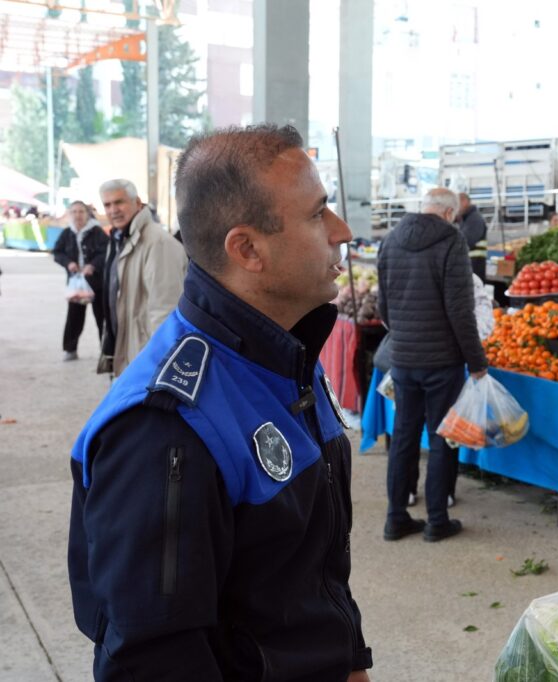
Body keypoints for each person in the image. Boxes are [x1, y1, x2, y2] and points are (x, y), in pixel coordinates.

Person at [68, 124, 373, 680]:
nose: (342, 231)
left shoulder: (289, 359)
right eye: (316, 214)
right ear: (247, 248)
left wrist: (351, 662)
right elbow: (153, 659)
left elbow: (312, 570)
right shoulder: (164, 426)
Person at [377, 187, 487, 542]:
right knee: (442, 438)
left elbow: (383, 306)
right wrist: (477, 362)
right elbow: (460, 311)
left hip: (404, 358)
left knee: (404, 436)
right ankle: (437, 521)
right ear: (450, 213)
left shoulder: (391, 240)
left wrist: (405, 334)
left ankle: (396, 518)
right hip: (442, 362)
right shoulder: (452, 241)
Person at [98, 179, 187, 376]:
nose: (113, 210)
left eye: (119, 202)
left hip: (145, 355)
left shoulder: (158, 244)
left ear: (137, 203)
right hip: (127, 348)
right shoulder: (120, 238)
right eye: (107, 204)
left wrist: (160, 365)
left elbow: (165, 310)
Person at [52, 201, 109, 361]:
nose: (78, 215)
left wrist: (93, 265)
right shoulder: (67, 233)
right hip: (77, 284)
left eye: (81, 212)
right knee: (74, 317)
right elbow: (57, 252)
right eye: (74, 211)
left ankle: (106, 353)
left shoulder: (97, 232)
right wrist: (68, 263)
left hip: (97, 283)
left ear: (87, 213)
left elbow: (106, 251)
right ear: (70, 214)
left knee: (102, 318)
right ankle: (70, 349)